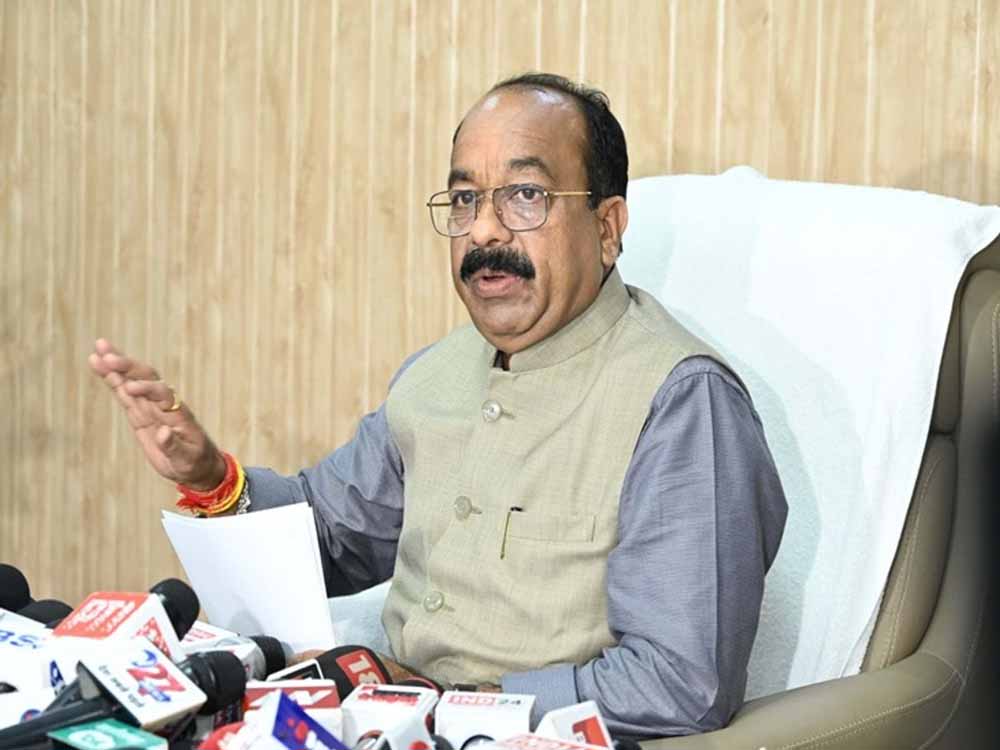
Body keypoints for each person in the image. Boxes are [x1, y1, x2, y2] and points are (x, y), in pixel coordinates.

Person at [89, 73, 787, 737]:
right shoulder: (434, 375)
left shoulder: (682, 402)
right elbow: (330, 536)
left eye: (524, 196)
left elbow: (679, 683)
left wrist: (450, 707)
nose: (483, 232)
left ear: (607, 228)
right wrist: (212, 475)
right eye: (464, 200)